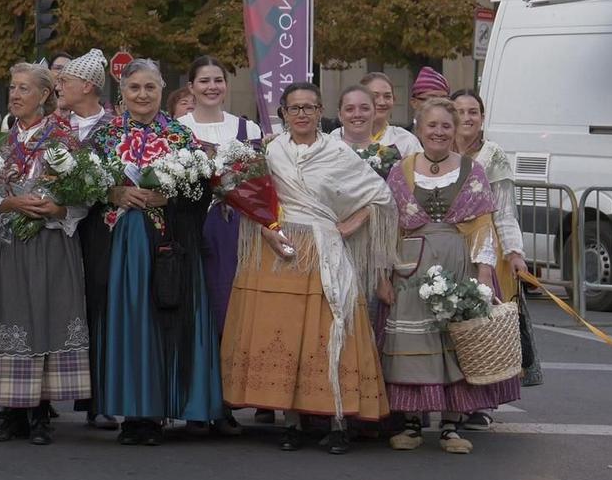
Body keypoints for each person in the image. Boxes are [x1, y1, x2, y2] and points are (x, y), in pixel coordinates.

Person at [220, 82, 393, 454]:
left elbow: (379, 195)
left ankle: (338, 421)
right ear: (283, 113)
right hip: (278, 251)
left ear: (320, 112)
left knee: (330, 329)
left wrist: (350, 224)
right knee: (283, 334)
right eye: (294, 108)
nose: (301, 114)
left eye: (309, 107)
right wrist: (266, 231)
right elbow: (250, 201)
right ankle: (292, 422)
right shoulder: (269, 152)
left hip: (323, 250)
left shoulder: (339, 152)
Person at [87, 60, 222, 446]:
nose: (142, 95)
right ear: (122, 92)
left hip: (169, 244)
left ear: (162, 90)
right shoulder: (103, 136)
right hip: (121, 247)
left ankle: (167, 407)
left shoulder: (181, 136)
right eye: (134, 88)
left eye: (150, 87)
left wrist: (170, 197)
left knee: (168, 321)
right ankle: (135, 414)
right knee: (130, 325)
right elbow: (81, 188)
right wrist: (114, 193)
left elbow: (201, 194)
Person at [379, 97, 520, 454]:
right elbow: (388, 227)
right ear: (419, 129)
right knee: (414, 342)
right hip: (411, 265)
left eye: (446, 126)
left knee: (458, 340)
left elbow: (483, 226)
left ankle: (451, 426)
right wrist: (383, 274)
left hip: (459, 260)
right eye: (432, 126)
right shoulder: (402, 171)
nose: (439, 132)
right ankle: (411, 423)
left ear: (454, 130)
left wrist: (485, 274)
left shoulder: (472, 170)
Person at [0, 63, 90, 445]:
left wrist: (58, 210)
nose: (16, 95)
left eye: (24, 88)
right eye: (12, 88)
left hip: (48, 243)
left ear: (44, 95)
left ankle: (39, 413)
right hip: (7, 244)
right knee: (8, 315)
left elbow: (87, 193)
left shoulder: (65, 142)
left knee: (43, 313)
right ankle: (10, 412)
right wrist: (7, 205)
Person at [177, 55, 262, 434]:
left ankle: (227, 403)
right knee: (200, 313)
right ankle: (198, 402)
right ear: (191, 87)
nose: (212, 87)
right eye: (204, 81)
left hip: (236, 230)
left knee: (233, 312)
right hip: (194, 227)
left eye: (218, 80)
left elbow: (260, 182)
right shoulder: (177, 129)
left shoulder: (247, 128)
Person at [451, 88, 541, 387]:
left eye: (472, 112)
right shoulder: (438, 151)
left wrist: (514, 253)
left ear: (482, 118)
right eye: (460, 111)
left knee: (482, 326)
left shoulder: (492, 156)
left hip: (486, 252)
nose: (466, 117)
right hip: (448, 248)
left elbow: (504, 211)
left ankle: (481, 399)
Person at [359, 72, 423, 158]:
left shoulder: (406, 140)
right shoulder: (340, 137)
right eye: (375, 96)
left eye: (387, 96)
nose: (382, 102)